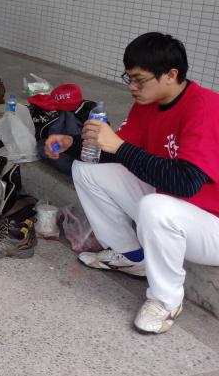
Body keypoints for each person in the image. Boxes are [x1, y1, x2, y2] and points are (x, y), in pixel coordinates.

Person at [44, 32, 219, 334]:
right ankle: (130, 256)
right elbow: (117, 154)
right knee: (85, 170)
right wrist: (73, 143)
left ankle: (165, 301)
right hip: (176, 205)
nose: (131, 87)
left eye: (140, 79)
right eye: (129, 78)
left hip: (210, 224)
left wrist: (119, 146)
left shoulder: (206, 107)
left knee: (156, 207)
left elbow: (186, 182)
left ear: (171, 75)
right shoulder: (147, 103)